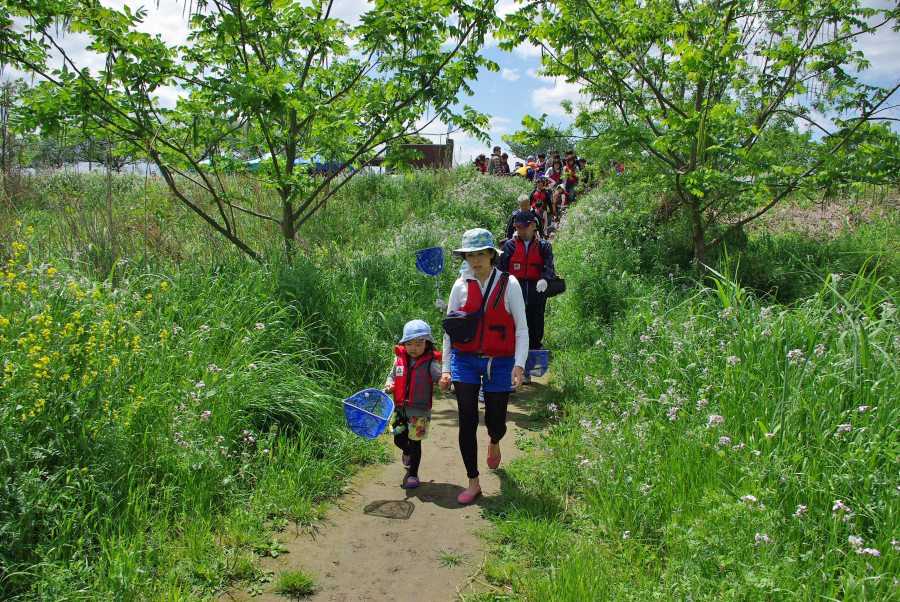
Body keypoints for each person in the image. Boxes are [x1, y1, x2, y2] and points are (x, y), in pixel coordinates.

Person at [439, 229, 528, 505]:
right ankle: (473, 481)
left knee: (496, 422)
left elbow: (522, 330)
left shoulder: (509, 284)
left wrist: (519, 365)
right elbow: (449, 331)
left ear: (492, 255)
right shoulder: (459, 286)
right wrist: (445, 368)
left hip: (499, 363)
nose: (475, 260)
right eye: (469, 255)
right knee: (466, 421)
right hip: (464, 361)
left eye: (480, 254)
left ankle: (494, 438)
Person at [384, 320, 443, 489]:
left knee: (416, 442)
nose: (413, 348)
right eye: (409, 344)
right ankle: (406, 450)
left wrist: (444, 383)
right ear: (403, 344)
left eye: (418, 344)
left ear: (427, 344)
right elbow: (391, 376)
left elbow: (439, 379)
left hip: (419, 411)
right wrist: (390, 385)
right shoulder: (399, 360)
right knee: (398, 438)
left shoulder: (431, 362)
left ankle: (413, 474)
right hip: (400, 409)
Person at [500, 213, 555, 358]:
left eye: (524, 228)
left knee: (535, 328)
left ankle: (532, 359)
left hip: (536, 295)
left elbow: (549, 267)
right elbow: (501, 270)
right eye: (518, 228)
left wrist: (546, 279)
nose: (521, 231)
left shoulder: (544, 246)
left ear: (533, 226)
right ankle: (514, 362)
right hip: (514, 295)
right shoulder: (510, 245)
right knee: (514, 328)